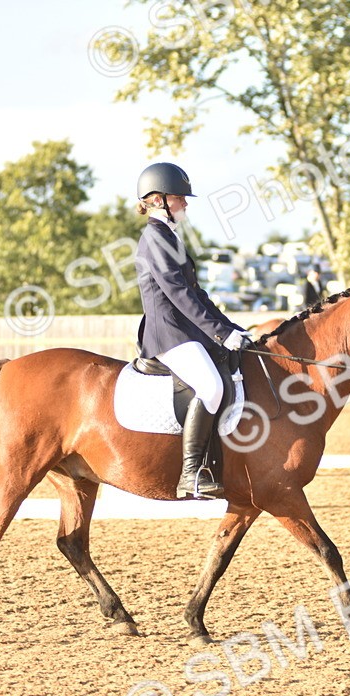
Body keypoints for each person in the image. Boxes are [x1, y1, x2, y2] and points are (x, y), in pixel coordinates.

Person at [133, 162, 251, 500]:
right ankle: (191, 474)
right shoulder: (155, 237)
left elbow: (198, 294)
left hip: (186, 331)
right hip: (168, 334)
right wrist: (219, 333)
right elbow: (178, 294)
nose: (185, 202)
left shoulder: (168, 235)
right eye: (179, 197)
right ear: (158, 200)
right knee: (211, 386)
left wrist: (231, 329)